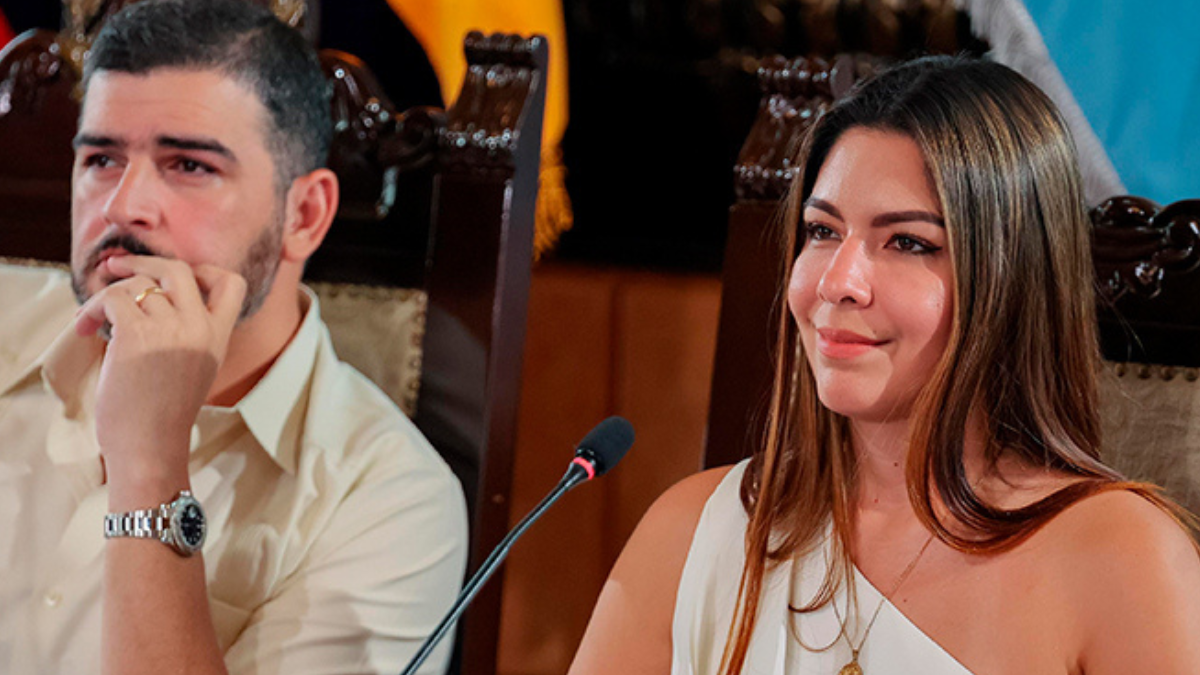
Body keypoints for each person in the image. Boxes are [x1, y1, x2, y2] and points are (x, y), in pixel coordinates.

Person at [568, 55, 1200, 674]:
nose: (838, 281)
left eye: (907, 242)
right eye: (821, 231)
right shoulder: (688, 534)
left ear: (1012, 281)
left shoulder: (1124, 559)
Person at [0, 1, 467, 674]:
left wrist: (151, 464)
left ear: (305, 214)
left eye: (188, 165)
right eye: (102, 157)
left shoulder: (391, 500)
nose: (123, 205)